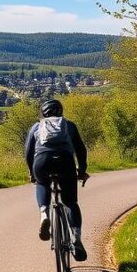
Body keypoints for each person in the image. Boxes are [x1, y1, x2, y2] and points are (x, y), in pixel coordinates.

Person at [25, 99, 90, 260]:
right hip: (65, 162)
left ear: (43, 113)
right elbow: (81, 150)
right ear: (61, 112)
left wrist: (32, 173)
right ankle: (76, 239)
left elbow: (28, 152)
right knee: (70, 202)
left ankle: (44, 214)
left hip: (42, 161)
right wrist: (82, 170)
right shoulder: (69, 125)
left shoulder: (36, 126)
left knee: (42, 183)